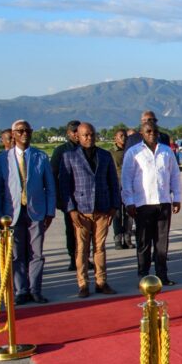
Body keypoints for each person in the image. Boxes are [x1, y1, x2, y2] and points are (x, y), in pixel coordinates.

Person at [0, 120, 55, 305]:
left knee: (36, 253)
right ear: (13, 134)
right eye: (20, 131)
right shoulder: (2, 159)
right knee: (17, 254)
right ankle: (21, 290)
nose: (24, 134)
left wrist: (50, 212)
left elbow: (50, 187)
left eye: (28, 130)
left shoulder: (41, 157)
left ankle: (35, 289)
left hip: (36, 211)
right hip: (12, 213)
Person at [58, 123, 121, 298]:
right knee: (82, 249)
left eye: (92, 134)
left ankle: (101, 282)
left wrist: (114, 206)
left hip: (102, 209)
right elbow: (65, 186)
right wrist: (71, 210)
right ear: (77, 136)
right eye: (85, 135)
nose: (89, 138)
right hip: (81, 209)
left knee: (100, 248)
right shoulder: (69, 156)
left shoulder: (105, 155)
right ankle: (83, 283)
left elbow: (113, 183)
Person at [122, 120, 181, 286]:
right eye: (148, 132)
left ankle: (162, 275)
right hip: (142, 203)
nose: (152, 135)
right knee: (144, 242)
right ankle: (144, 275)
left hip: (163, 202)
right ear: (142, 133)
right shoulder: (134, 153)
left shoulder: (166, 151)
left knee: (162, 242)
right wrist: (129, 202)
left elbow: (175, 175)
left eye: (155, 132)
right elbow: (126, 179)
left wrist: (176, 197)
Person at [51, 120, 81, 270]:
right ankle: (73, 256)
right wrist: (58, 198)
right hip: (69, 198)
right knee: (71, 229)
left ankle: (83, 257)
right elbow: (53, 175)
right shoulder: (61, 151)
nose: (77, 134)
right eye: (74, 131)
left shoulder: (87, 148)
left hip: (87, 199)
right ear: (68, 133)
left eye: (78, 130)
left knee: (85, 231)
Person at [110, 129, 134, 249]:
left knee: (129, 213)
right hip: (116, 185)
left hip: (129, 185)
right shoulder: (111, 153)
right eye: (120, 136)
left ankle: (128, 238)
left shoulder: (130, 151)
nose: (123, 138)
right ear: (115, 138)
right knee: (117, 214)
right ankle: (118, 239)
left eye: (125, 135)